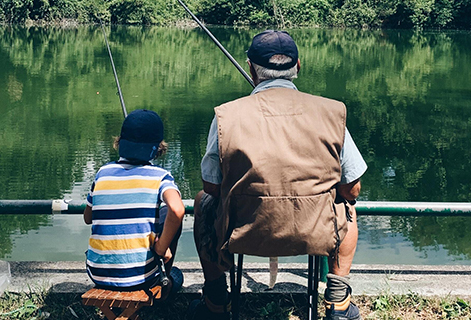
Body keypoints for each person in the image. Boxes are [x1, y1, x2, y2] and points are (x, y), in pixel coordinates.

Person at [188, 30, 367, 320]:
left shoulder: (226, 115)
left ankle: (216, 300)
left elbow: (210, 185)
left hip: (243, 232)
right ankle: (338, 302)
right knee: (346, 208)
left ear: (250, 68)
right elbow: (352, 190)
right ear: (298, 65)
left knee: (202, 202)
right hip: (316, 231)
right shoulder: (332, 112)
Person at [83, 109, 185, 301]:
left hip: (97, 274)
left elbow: (88, 218)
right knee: (177, 275)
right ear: (158, 148)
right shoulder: (160, 177)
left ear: (120, 143)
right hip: (140, 278)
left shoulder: (102, 173)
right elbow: (177, 209)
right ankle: (164, 285)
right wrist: (162, 248)